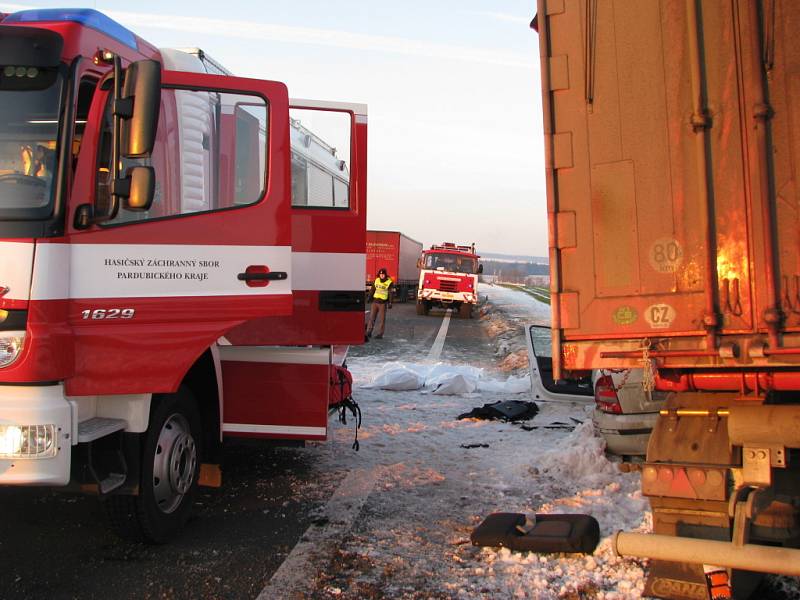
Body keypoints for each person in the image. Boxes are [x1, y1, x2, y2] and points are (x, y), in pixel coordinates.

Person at [365, 267, 393, 340]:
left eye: (383, 274)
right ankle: (369, 332)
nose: (382, 276)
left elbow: (390, 293)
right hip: (375, 302)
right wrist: (369, 298)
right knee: (372, 318)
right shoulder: (376, 280)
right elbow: (372, 290)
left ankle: (380, 334)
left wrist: (390, 302)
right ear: (379, 275)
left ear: (385, 275)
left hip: (383, 303)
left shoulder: (389, 282)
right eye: (380, 274)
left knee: (382, 319)